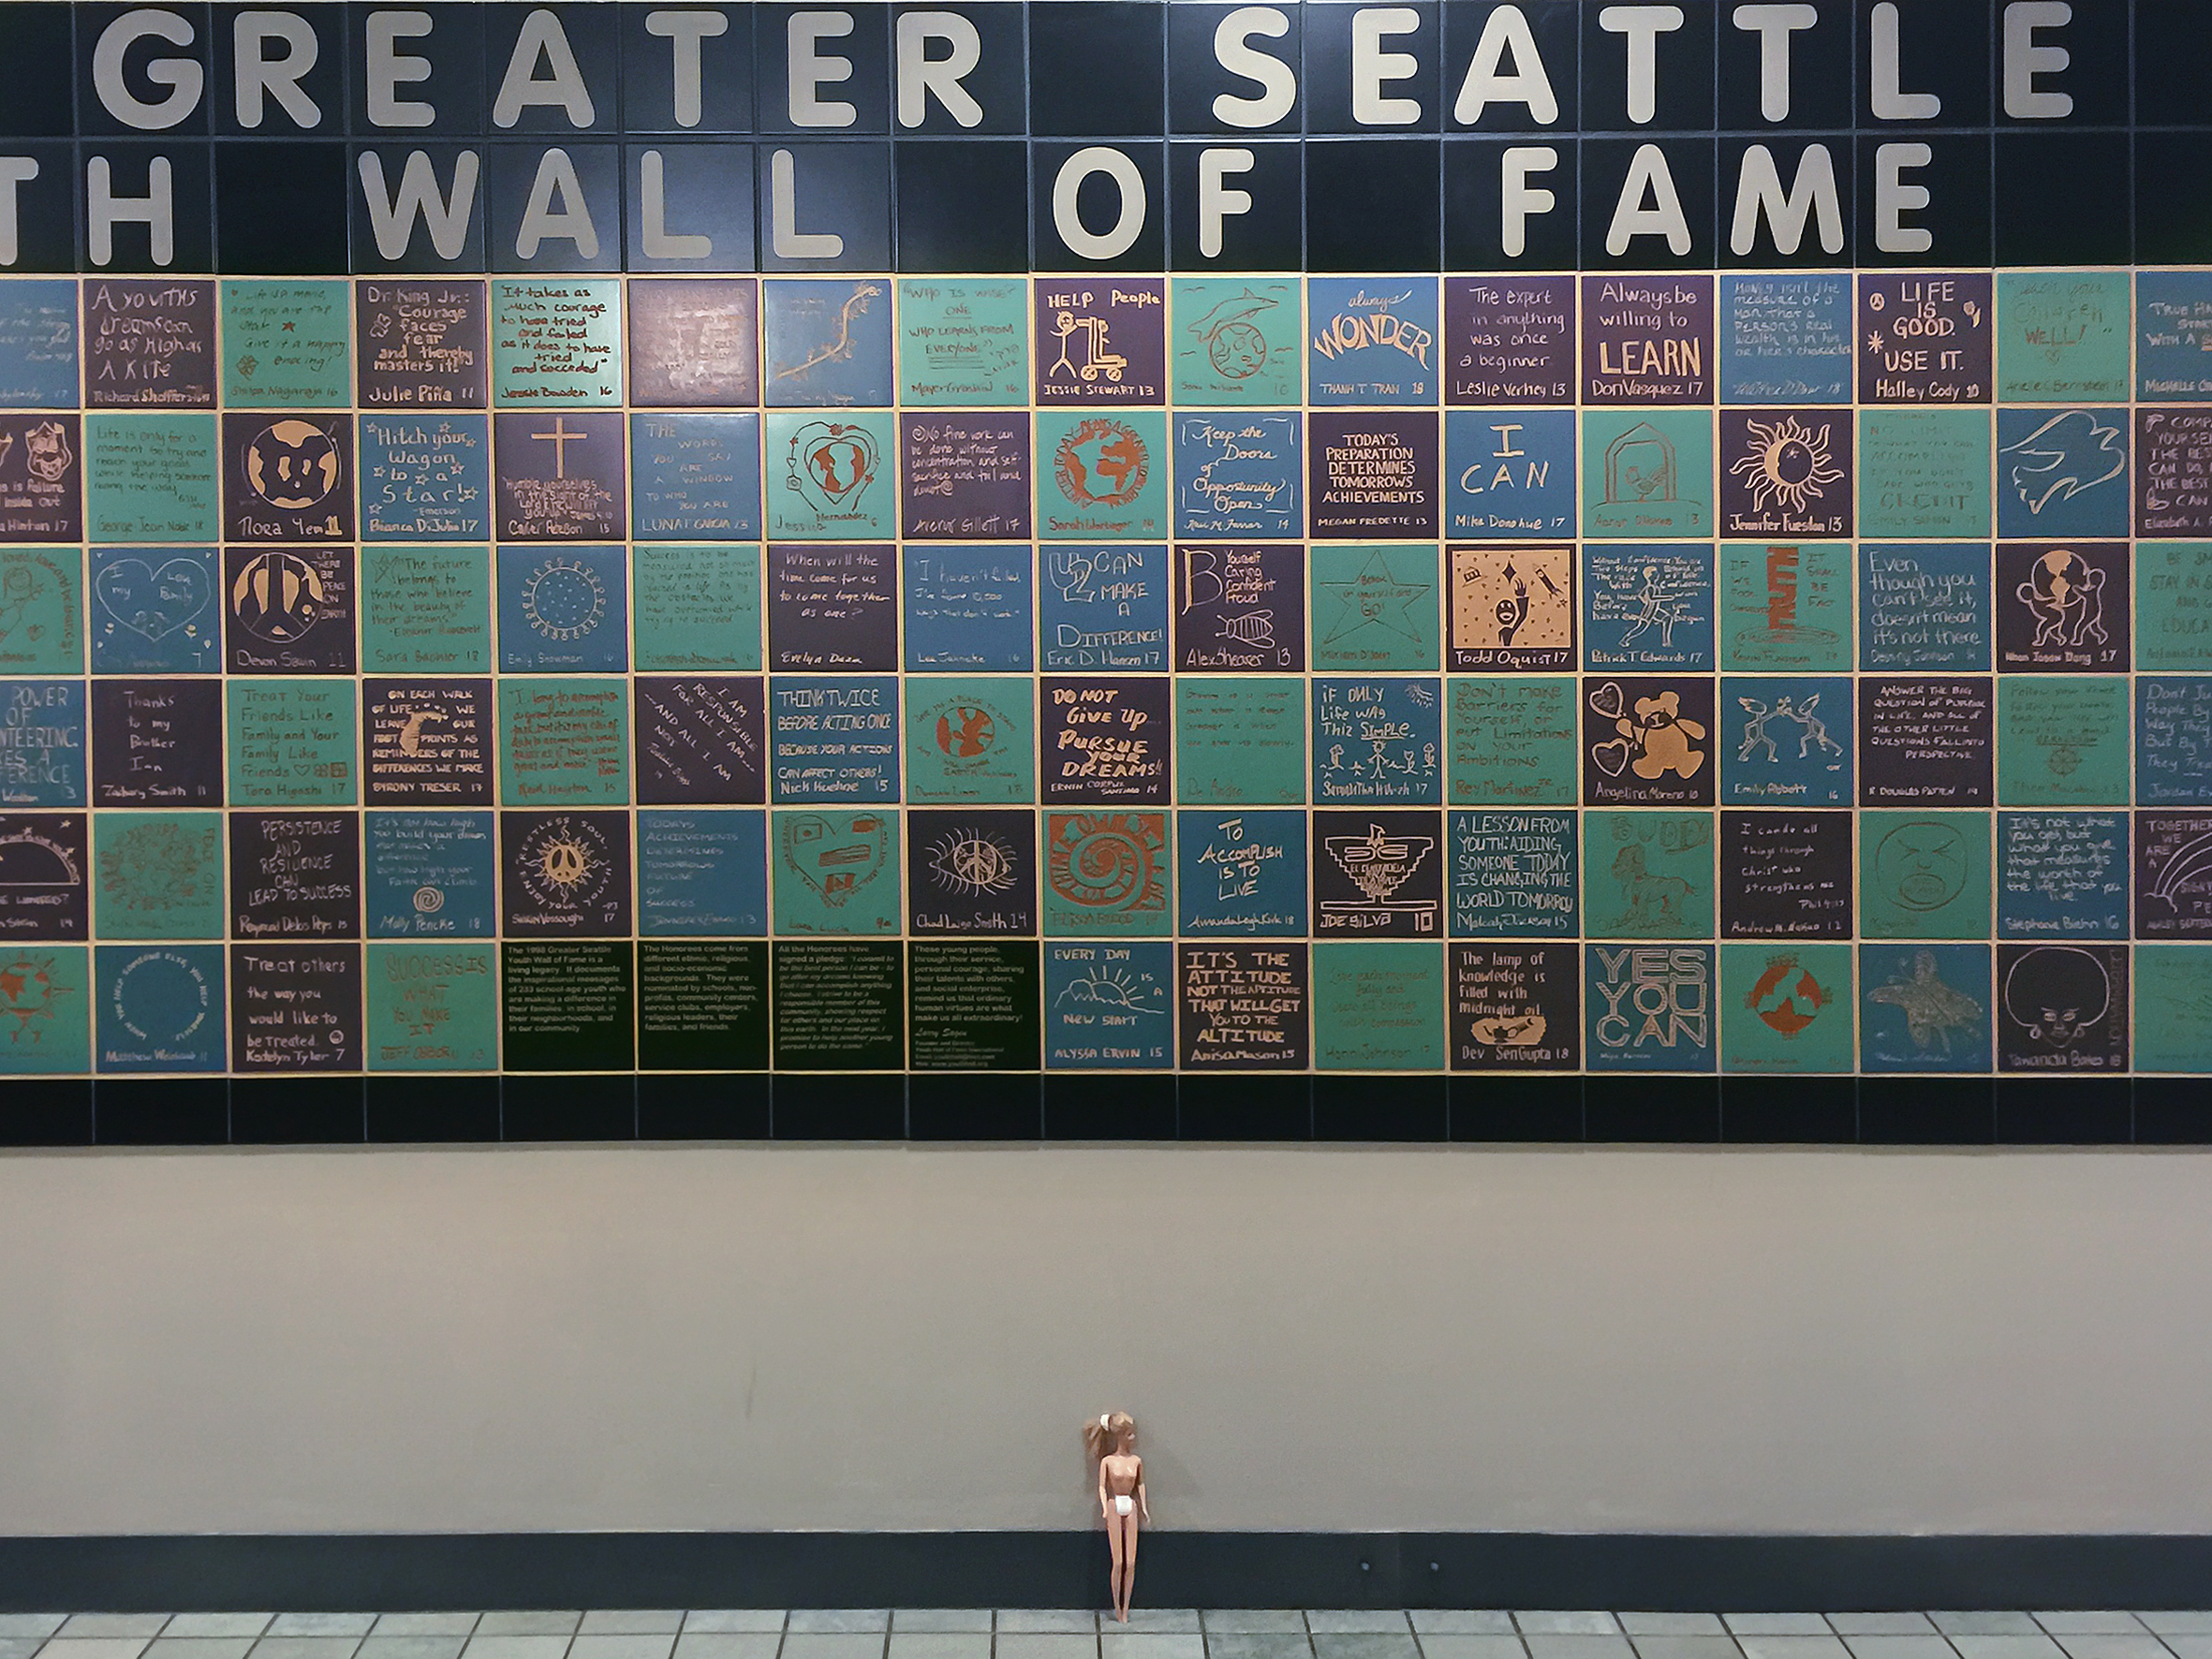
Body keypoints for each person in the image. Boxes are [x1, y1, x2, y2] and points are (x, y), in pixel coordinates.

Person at [1085, 1411, 1148, 1622]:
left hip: (1130, 1505)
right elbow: (1102, 1487)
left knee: (1130, 1563)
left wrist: (1144, 1507)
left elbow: (1140, 1484)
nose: (1133, 1438)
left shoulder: (1136, 1461)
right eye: (1129, 1434)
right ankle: (1117, 1606)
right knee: (1118, 1563)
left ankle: (1126, 1607)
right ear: (1120, 1436)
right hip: (1114, 1505)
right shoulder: (1108, 1461)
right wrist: (1105, 1507)